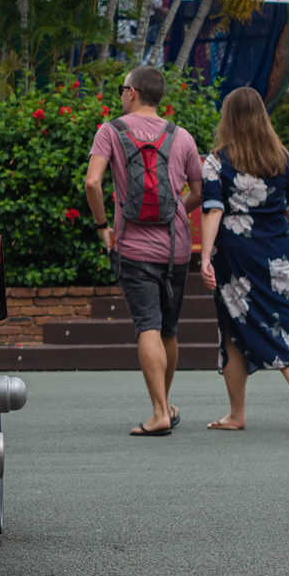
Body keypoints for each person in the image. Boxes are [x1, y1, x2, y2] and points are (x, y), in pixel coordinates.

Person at [84, 66, 203, 437]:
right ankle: (165, 404)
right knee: (168, 328)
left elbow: (92, 182)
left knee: (146, 325)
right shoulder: (181, 136)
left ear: (132, 93)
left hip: (132, 244)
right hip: (177, 247)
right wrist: (176, 209)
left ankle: (158, 413)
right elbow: (199, 191)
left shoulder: (111, 130)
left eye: (122, 89)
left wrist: (103, 227)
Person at [198, 86, 289, 432]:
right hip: (279, 247)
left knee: (233, 328)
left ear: (228, 118)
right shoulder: (282, 158)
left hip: (237, 253)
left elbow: (212, 210)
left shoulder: (216, 161)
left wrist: (205, 257)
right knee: (287, 322)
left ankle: (237, 414)